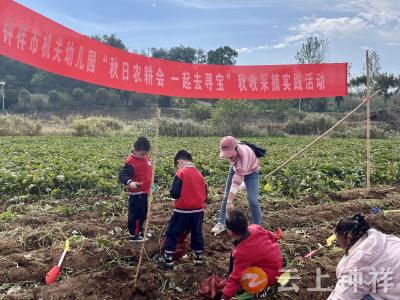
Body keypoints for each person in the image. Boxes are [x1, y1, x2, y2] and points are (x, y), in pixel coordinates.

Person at [154, 150, 207, 269]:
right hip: (198, 211)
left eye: (177, 166)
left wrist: (173, 197)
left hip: (182, 211)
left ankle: (168, 258)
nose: (177, 168)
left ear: (179, 162)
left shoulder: (181, 173)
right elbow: (205, 192)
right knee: (197, 233)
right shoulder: (199, 174)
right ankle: (198, 257)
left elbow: (175, 192)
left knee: (173, 232)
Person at [328, 213, 400, 300]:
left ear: (348, 238)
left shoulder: (360, 262)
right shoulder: (386, 239)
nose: (340, 246)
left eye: (340, 243)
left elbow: (342, 297)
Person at [221, 209, 283, 300]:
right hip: (276, 263)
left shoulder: (242, 252)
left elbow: (236, 277)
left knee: (246, 281)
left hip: (271, 274)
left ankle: (263, 291)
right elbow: (270, 234)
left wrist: (225, 296)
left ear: (231, 232)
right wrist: (276, 237)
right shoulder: (254, 228)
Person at [212, 136, 262, 235]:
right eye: (228, 156)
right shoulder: (233, 148)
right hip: (235, 169)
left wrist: (230, 202)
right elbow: (236, 178)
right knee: (226, 195)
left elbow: (237, 180)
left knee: (253, 200)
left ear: (236, 149)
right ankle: (221, 223)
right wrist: (229, 200)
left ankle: (257, 228)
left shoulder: (244, 156)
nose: (229, 158)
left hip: (252, 172)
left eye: (230, 155)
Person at [119, 136, 152, 242]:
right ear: (134, 150)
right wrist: (130, 182)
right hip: (136, 194)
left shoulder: (145, 157)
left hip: (144, 192)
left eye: (146, 153)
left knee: (143, 213)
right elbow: (122, 175)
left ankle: (141, 231)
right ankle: (134, 234)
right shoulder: (130, 162)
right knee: (136, 214)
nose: (145, 156)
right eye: (142, 154)